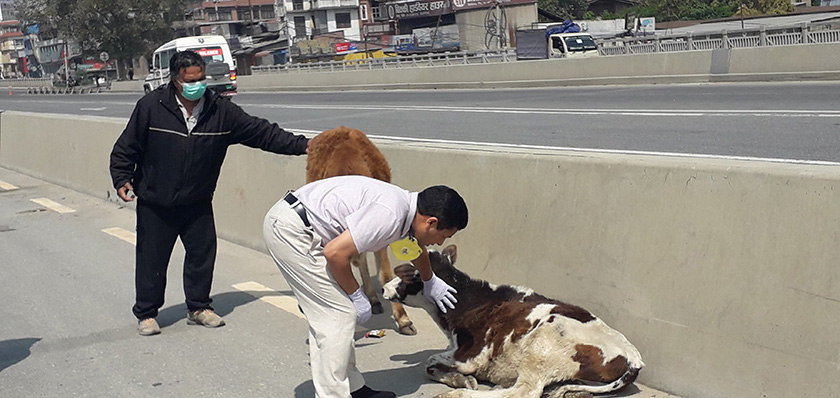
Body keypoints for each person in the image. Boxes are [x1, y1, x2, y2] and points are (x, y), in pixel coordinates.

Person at [109, 50, 309, 336]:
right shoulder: (152, 106)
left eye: (202, 78)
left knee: (202, 256)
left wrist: (305, 146)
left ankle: (199, 307)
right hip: (156, 201)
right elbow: (126, 147)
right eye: (191, 80)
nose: (198, 85)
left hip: (197, 200)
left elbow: (262, 133)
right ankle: (147, 313)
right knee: (151, 260)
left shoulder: (220, 111)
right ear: (176, 81)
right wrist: (121, 178)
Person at [262, 175, 468, 398]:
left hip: (302, 226)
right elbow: (335, 254)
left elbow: (413, 247)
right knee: (337, 315)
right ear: (432, 222)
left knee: (336, 315)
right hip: (293, 231)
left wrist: (430, 280)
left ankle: (353, 388)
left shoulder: (407, 213)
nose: (440, 243)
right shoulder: (390, 214)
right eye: (443, 236)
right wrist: (357, 295)